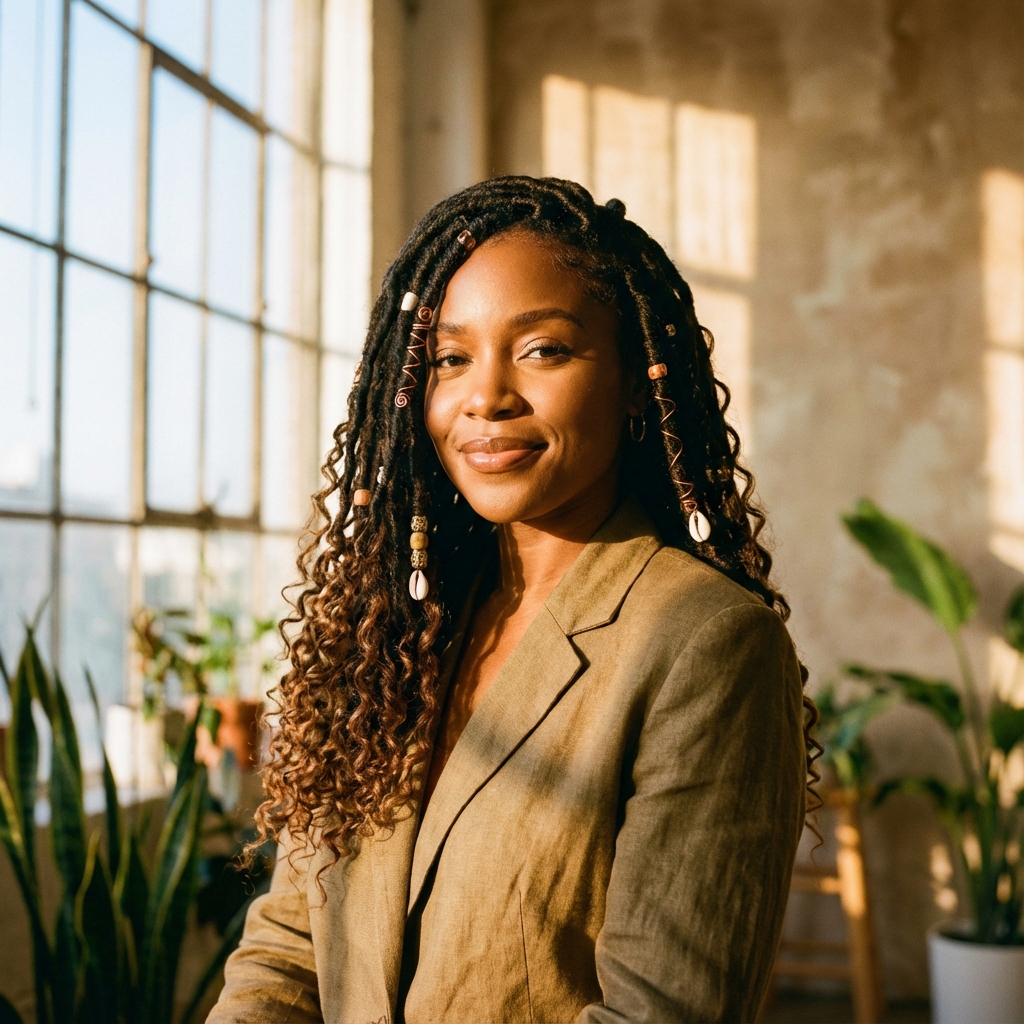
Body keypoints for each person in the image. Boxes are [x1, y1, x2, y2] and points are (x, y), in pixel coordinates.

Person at [209, 176, 817, 1024]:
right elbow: (289, 948)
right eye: (451, 359)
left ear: (635, 383)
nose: (486, 397)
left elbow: (660, 1013)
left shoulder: (708, 643)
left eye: (544, 350)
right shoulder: (395, 632)